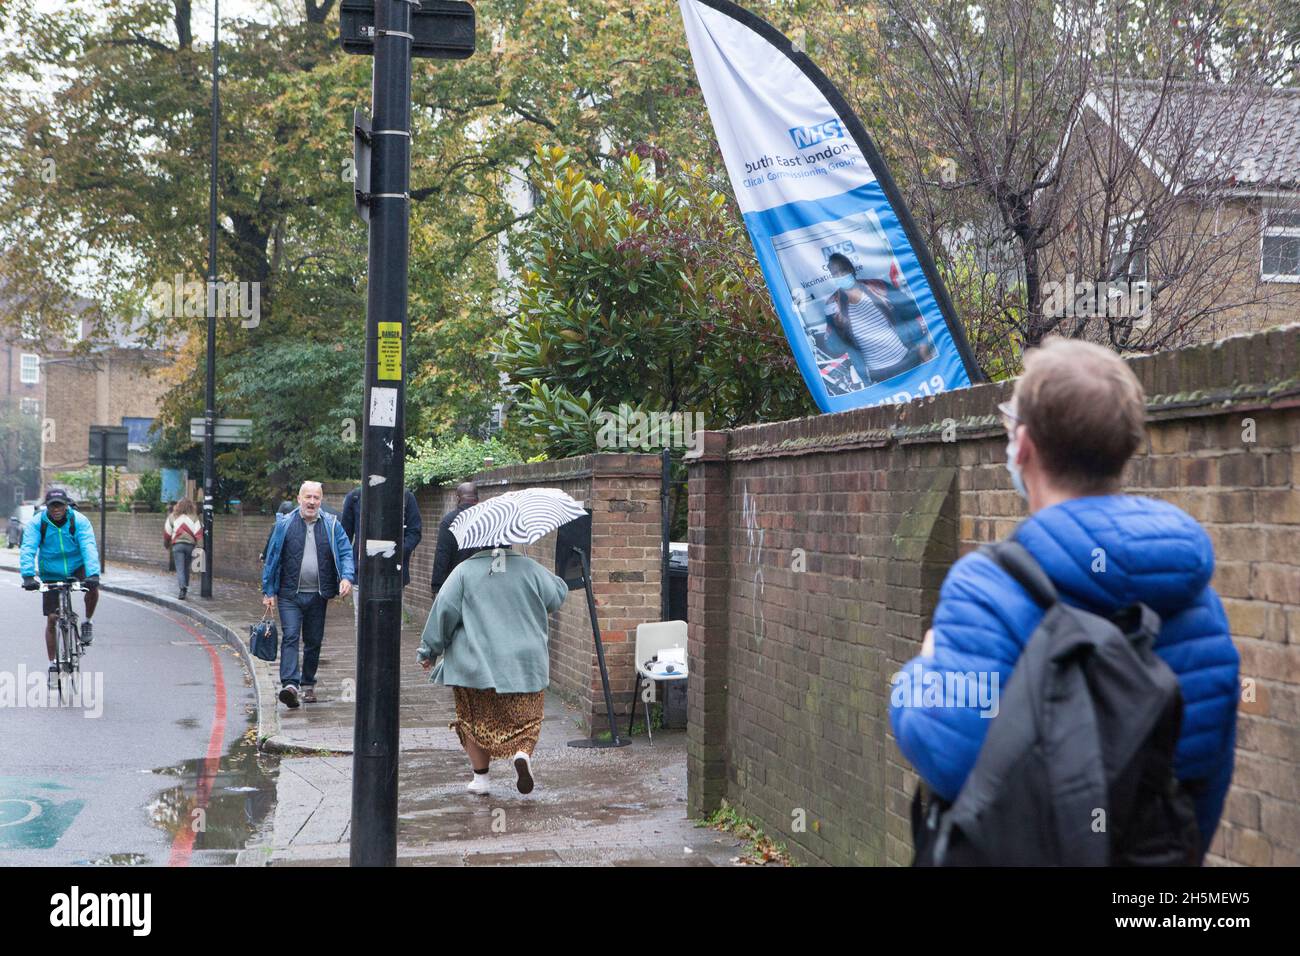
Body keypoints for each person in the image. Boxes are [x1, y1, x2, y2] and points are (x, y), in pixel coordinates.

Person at [889, 338, 1240, 863]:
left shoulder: (985, 589)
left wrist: (920, 674)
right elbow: (1200, 787)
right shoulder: (1198, 605)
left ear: (1023, 446)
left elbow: (952, 757)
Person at [417, 544, 569, 796]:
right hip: (524, 663)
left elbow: (443, 611)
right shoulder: (530, 568)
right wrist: (537, 571)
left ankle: (481, 779)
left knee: (473, 722)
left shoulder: (463, 572)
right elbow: (556, 596)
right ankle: (521, 754)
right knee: (528, 721)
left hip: (476, 666)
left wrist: (429, 651)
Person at [261, 481, 356, 708]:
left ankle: (308, 684)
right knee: (291, 635)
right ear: (299, 499)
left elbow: (345, 552)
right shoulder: (284, 524)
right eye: (308, 497)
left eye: (316, 498)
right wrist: (268, 591)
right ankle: (290, 685)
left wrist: (346, 577)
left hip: (318, 595)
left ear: (321, 501)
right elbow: (272, 559)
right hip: (289, 594)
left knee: (313, 641)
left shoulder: (332, 525)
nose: (312, 502)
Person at [20, 489, 102, 683]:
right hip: (50, 571)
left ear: (67, 505)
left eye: (60, 505)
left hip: (77, 566)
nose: (56, 509)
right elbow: (28, 548)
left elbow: (88, 546)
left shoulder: (79, 521)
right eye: (52, 505)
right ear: (46, 507)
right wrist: (28, 576)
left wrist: (93, 574)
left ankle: (88, 622)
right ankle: (53, 664)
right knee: (52, 619)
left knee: (93, 589)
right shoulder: (37, 523)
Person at [823, 253, 929, 384]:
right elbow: (835, 349)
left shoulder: (879, 287)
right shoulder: (833, 305)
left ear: (851, 269)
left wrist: (923, 344)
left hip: (908, 360)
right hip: (878, 377)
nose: (840, 276)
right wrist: (837, 328)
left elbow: (913, 312)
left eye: (843, 271)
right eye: (835, 273)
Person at [341, 482, 423, 630]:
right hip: (363, 574)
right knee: (363, 624)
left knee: (393, 624)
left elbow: (414, 532)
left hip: (394, 575)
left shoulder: (405, 497)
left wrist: (397, 552)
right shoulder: (355, 497)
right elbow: (344, 537)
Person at [430, 482, 485, 597]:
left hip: (456, 583)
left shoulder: (450, 521)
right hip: (482, 582)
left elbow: (442, 554)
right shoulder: (487, 518)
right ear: (477, 498)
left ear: (457, 498)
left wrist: (437, 586)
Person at [164, 498, 203, 600]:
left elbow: (167, 532)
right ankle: (185, 586)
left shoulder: (172, 517)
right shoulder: (194, 518)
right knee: (186, 567)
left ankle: (182, 588)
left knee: (180, 568)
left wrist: (166, 544)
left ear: (178, 506)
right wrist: (200, 547)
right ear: (191, 506)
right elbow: (199, 534)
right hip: (190, 546)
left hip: (177, 546)